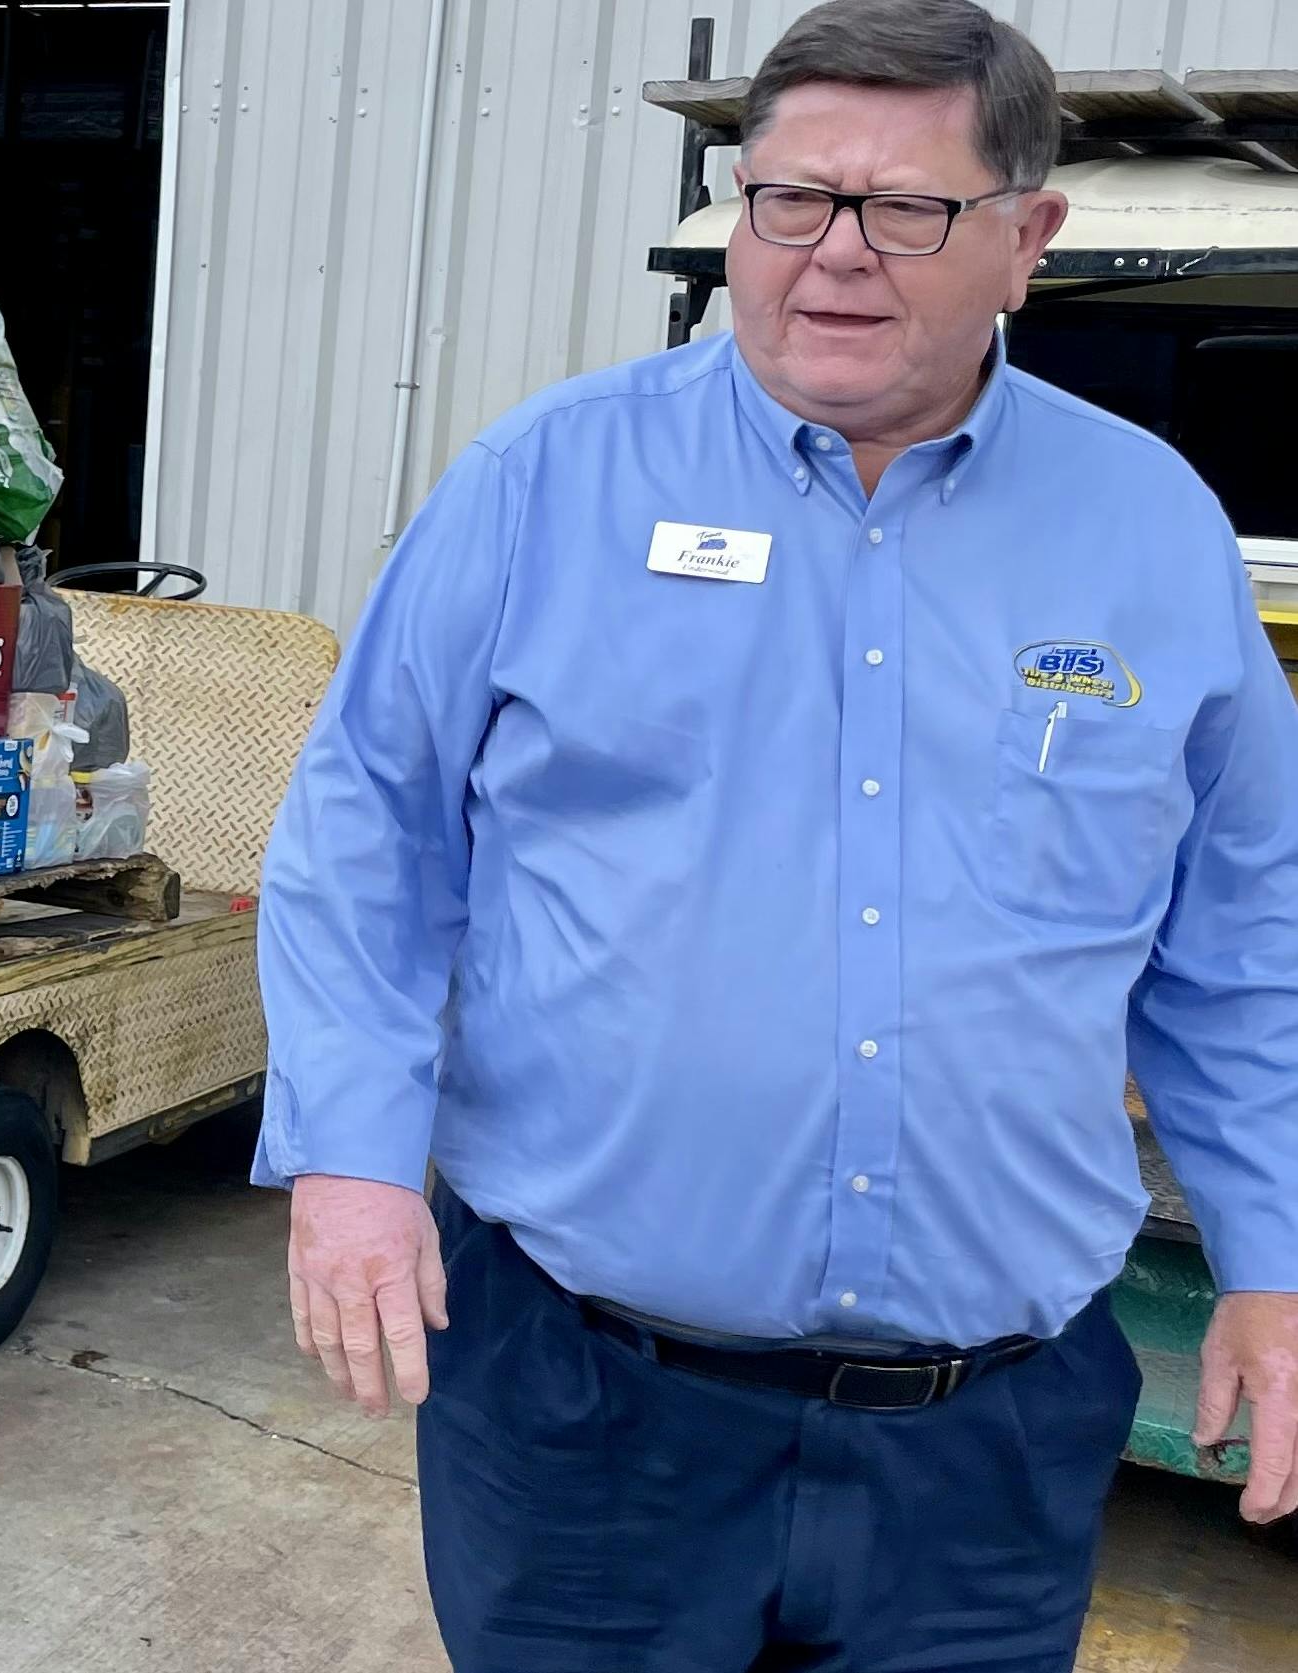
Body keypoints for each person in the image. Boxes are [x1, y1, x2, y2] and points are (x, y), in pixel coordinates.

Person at [251, 1, 1298, 1666]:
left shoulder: (1152, 535)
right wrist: (353, 1165)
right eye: (786, 200)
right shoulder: (544, 484)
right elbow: (366, 833)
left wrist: (1276, 1257)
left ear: (1027, 240)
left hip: (985, 1450)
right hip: (590, 1412)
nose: (832, 255)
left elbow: (1244, 941)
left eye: (906, 210)